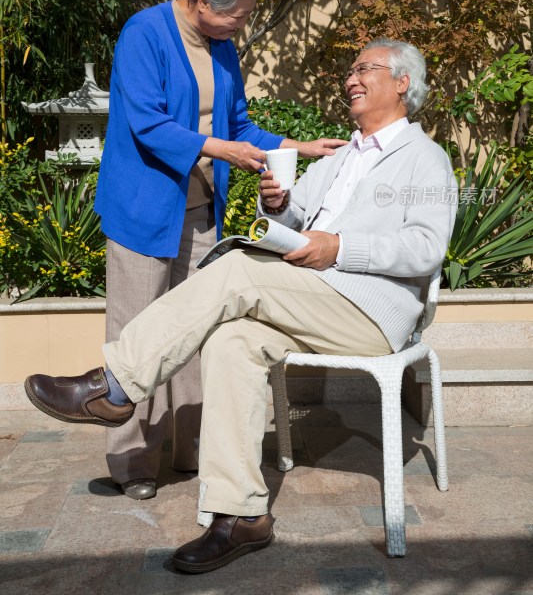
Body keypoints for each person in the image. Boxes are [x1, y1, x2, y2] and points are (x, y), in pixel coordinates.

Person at [26, 38, 457, 574]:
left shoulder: (425, 158)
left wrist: (341, 246)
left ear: (401, 83)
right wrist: (278, 204)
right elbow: (296, 220)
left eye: (364, 69)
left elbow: (426, 248)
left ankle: (113, 385)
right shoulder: (341, 156)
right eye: (350, 69)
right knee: (231, 342)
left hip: (370, 312)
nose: (351, 77)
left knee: (234, 269)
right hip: (312, 302)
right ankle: (239, 516)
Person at [93, 0, 346, 500]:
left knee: (193, 332)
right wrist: (219, 148)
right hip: (142, 208)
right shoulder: (145, 33)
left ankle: (189, 452)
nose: (244, 23)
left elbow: (239, 124)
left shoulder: (222, 46)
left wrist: (297, 146)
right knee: (136, 332)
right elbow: (146, 123)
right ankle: (134, 462)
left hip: (200, 209)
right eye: (239, 13)